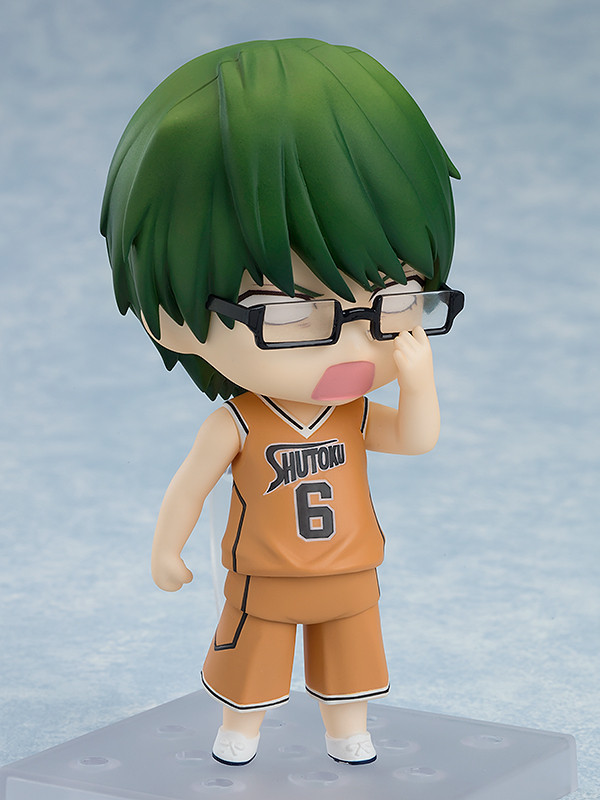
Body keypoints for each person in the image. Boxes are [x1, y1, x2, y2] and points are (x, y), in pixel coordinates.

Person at [100, 37, 462, 766]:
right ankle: (240, 731)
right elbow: (190, 487)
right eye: (291, 313)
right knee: (253, 663)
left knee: (350, 664)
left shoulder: (353, 415)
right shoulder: (238, 422)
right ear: (171, 318)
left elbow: (416, 438)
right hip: (263, 576)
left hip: (351, 571)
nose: (355, 345)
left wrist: (418, 381)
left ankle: (346, 730)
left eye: (394, 301)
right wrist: (166, 549)